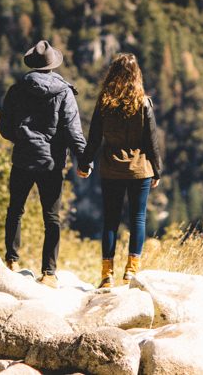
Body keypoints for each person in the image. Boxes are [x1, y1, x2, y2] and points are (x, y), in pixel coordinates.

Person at [0, 38, 87, 287]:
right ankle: (48, 272)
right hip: (51, 162)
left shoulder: (16, 90)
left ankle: (11, 261)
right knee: (52, 217)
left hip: (23, 158)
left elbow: (4, 127)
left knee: (15, 209)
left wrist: (22, 138)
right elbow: (73, 130)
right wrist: (84, 159)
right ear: (52, 65)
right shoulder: (64, 92)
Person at [77, 52, 162, 288]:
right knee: (138, 218)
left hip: (111, 167)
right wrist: (157, 170)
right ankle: (131, 272)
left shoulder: (104, 102)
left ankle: (106, 275)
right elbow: (152, 141)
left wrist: (84, 164)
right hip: (139, 168)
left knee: (111, 221)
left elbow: (93, 138)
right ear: (137, 75)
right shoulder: (144, 102)